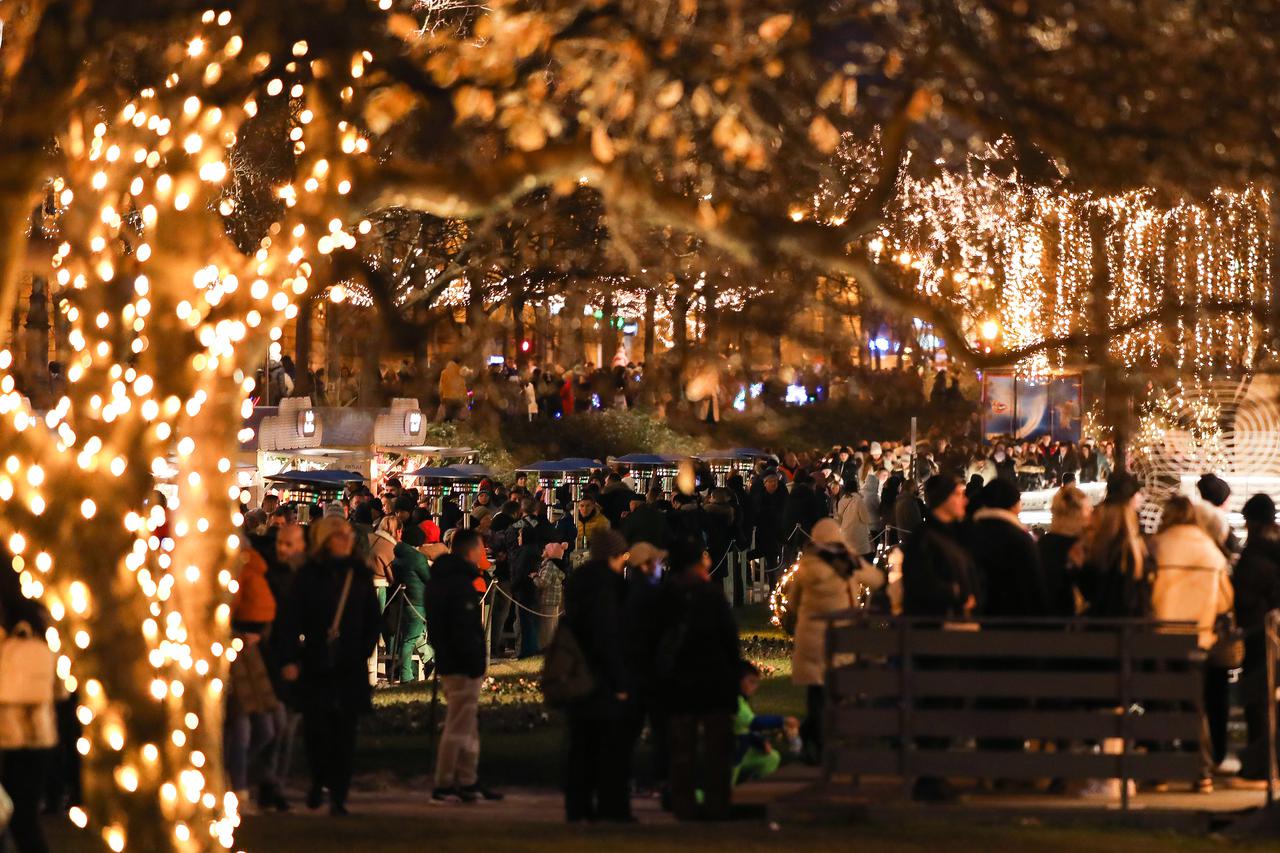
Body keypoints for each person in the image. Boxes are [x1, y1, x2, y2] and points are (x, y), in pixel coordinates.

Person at [277, 517, 381, 816]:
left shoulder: (359, 574)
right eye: (339, 536)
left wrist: (361, 649)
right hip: (316, 662)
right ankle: (318, 779)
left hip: (349, 664)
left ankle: (339, 794)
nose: (345, 540)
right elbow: (291, 619)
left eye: (348, 535)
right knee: (317, 730)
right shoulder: (309, 576)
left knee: (345, 733)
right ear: (325, 540)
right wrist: (291, 658)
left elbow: (372, 619)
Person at [1150, 494, 1233, 788]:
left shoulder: (1157, 546)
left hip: (1159, 636)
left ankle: (1159, 771)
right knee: (1194, 707)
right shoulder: (1210, 551)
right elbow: (1225, 601)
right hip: (1197, 638)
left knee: (1159, 704)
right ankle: (1201, 773)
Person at [655, 537, 741, 821]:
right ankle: (717, 804)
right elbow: (728, 639)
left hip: (679, 679)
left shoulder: (666, 594)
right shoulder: (710, 594)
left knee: (682, 747)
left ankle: (684, 803)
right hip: (712, 678)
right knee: (717, 749)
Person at [790, 518, 884, 758]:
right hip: (839, 635)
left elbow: (792, 603)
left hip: (811, 635)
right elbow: (877, 579)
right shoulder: (848, 562)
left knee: (817, 690)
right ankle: (818, 738)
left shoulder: (807, 566)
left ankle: (814, 738)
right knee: (836, 689)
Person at [424, 529, 502, 803]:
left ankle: (468, 780)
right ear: (471, 551)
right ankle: (444, 784)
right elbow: (461, 628)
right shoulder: (456, 583)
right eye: (481, 548)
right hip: (460, 664)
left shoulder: (447, 580)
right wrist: (472, 662)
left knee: (467, 725)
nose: (484, 553)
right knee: (458, 726)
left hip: (459, 662)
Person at [562, 530, 633, 822]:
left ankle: (577, 806)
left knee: (580, 745)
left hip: (577, 670)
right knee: (610, 747)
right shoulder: (610, 586)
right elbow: (608, 635)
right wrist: (620, 680)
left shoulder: (579, 580)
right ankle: (611, 806)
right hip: (601, 675)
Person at [0, 557, 55, 853]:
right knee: (25, 821)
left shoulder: (10, 623)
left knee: (18, 821)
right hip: (37, 734)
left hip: (9, 735)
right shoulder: (34, 618)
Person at [1232, 494, 1280, 787]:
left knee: (1257, 701)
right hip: (1275, 634)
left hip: (1257, 635)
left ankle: (1258, 767)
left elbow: (1245, 597)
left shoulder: (1254, 555)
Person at [968, 477, 1049, 617]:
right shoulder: (1020, 539)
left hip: (978, 618)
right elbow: (1034, 586)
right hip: (1015, 619)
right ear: (1012, 505)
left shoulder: (970, 533)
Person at [1076, 474, 1154, 618]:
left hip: (1101, 625)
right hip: (1130, 625)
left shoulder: (1095, 541)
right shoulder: (1133, 545)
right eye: (1137, 493)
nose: (1140, 497)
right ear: (1130, 499)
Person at [901, 474, 976, 620]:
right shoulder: (924, 538)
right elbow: (921, 586)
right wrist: (959, 593)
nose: (965, 500)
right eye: (958, 494)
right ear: (944, 498)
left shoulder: (957, 533)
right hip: (936, 629)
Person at [733, 661, 798, 785]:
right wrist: (782, 720)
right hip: (732, 756)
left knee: (771, 758)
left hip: (742, 751)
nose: (755, 687)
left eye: (756, 682)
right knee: (722, 793)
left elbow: (745, 730)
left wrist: (760, 743)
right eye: (751, 682)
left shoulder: (742, 701)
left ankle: (755, 789)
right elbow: (753, 723)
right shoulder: (735, 703)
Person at [1037, 484, 1091, 617]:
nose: (1091, 514)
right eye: (1089, 509)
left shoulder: (1042, 545)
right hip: (1071, 624)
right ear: (1076, 514)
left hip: (1042, 621)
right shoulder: (1081, 547)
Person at [833, 478, 875, 562]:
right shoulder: (858, 500)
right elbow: (865, 518)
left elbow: (839, 518)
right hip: (858, 535)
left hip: (846, 533)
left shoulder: (841, 501)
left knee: (849, 558)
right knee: (860, 559)